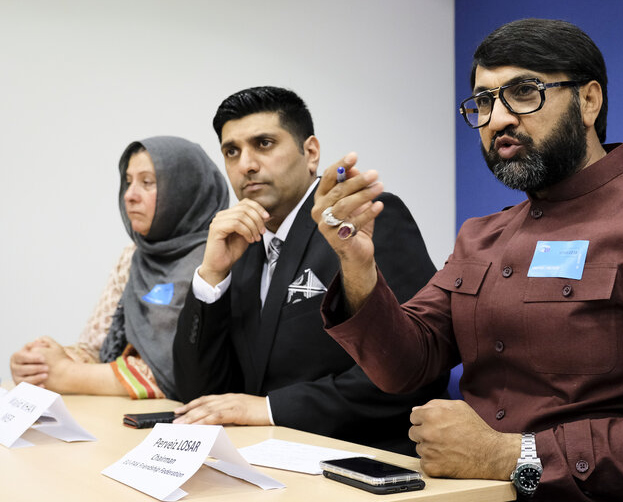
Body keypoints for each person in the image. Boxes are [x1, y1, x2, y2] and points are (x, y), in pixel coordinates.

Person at [312, 19, 623, 501]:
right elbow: (404, 365)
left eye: (524, 92)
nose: (499, 119)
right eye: (483, 102)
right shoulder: (482, 235)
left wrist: (511, 454)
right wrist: (357, 265)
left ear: (589, 101)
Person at [171, 86, 447, 455]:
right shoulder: (243, 245)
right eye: (231, 151)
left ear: (311, 153)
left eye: (264, 143)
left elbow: (416, 372)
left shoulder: (362, 219)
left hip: (363, 458)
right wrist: (211, 276)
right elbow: (200, 395)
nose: (246, 164)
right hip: (262, 458)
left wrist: (270, 409)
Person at [10, 137, 229, 400]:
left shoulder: (220, 256)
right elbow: (96, 346)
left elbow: (173, 371)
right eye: (128, 181)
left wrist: (67, 374)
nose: (129, 195)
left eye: (147, 183)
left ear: (185, 190)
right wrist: (40, 363)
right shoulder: (134, 255)